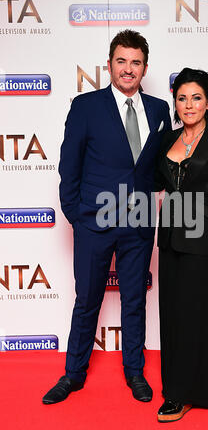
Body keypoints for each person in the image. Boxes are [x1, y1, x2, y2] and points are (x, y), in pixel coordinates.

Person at [42, 30, 171, 405]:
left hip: (140, 225)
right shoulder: (85, 106)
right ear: (109, 64)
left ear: (145, 67)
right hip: (94, 224)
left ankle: (135, 372)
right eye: (121, 61)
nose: (128, 69)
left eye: (135, 62)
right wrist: (78, 218)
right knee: (87, 301)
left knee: (135, 300)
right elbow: (69, 168)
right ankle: (73, 374)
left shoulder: (160, 110)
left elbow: (159, 166)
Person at [155, 67, 208, 422]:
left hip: (204, 239)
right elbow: (151, 180)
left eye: (196, 98)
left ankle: (183, 394)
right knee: (172, 315)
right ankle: (175, 383)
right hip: (170, 238)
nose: (188, 105)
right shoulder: (166, 140)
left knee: (195, 314)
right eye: (181, 98)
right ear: (175, 102)